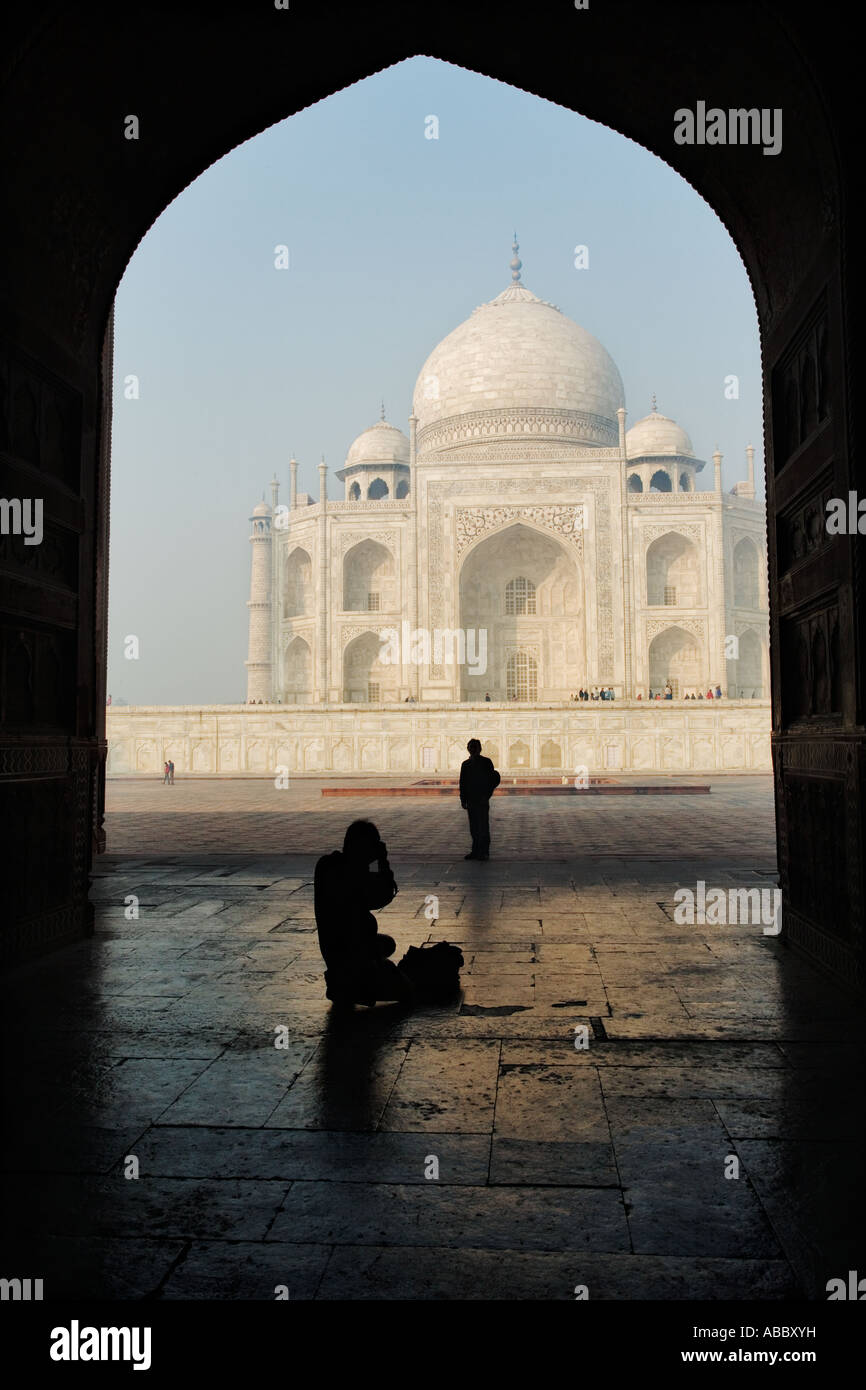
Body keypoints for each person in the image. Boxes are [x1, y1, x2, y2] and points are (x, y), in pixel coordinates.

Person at [313, 820, 412, 1007]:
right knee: (408, 990)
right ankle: (353, 986)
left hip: (335, 949)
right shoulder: (352, 873)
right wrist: (383, 861)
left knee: (387, 944)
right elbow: (382, 896)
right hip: (352, 954)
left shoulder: (328, 865)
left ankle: (346, 982)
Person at [459, 738, 500, 861]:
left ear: (480, 749)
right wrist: (463, 799)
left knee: (483, 826)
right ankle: (476, 851)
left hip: (482, 799)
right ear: (468, 749)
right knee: (474, 827)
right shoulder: (465, 764)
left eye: (475, 747)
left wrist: (486, 796)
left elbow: (493, 780)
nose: (473, 749)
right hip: (471, 800)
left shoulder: (486, 762)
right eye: (471, 747)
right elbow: (463, 783)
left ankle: (484, 852)